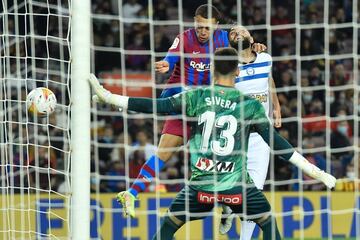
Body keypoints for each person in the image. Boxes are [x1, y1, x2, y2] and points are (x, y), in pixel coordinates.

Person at [88, 47, 336, 240]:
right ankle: (229, 212)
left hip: (200, 187)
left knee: (168, 225)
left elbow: (156, 106)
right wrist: (318, 173)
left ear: (213, 70)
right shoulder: (249, 106)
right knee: (267, 222)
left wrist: (109, 97)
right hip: (237, 189)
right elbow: (279, 145)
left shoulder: (196, 96)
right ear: (237, 71)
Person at [116, 4, 266, 218]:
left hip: (210, 106)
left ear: (216, 26)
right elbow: (171, 57)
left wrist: (255, 47)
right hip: (182, 100)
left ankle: (226, 204)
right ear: (194, 22)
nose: (203, 32)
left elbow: (243, 49)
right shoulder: (184, 38)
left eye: (207, 28)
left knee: (224, 153)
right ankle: (131, 193)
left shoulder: (224, 39)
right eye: (199, 27)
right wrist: (167, 65)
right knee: (164, 153)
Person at [218, 26, 282, 238]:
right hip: (236, 136)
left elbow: (269, 81)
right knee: (229, 185)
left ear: (251, 38)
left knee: (254, 192)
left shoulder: (266, 58)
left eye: (241, 31)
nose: (238, 34)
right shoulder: (228, 66)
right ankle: (228, 207)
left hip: (261, 137)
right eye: (233, 34)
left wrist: (276, 106)